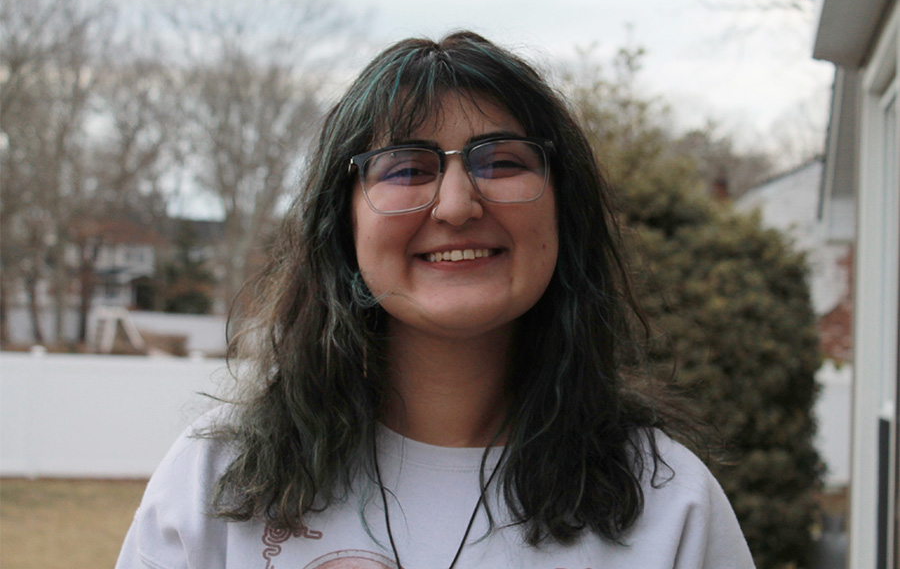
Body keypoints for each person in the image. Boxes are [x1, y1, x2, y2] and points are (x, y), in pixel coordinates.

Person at [116, 31, 755, 569]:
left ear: (565, 211)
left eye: (501, 162)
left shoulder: (672, 506)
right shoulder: (219, 482)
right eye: (405, 168)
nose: (456, 205)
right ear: (344, 227)